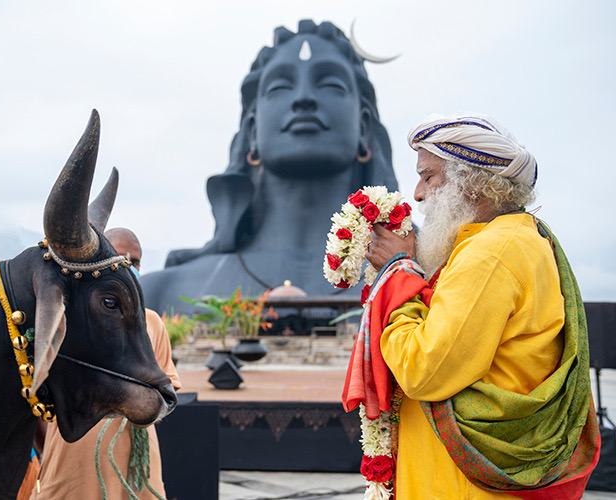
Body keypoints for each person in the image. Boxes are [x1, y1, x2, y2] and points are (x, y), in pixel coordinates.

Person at [357, 112, 599, 498]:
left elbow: (423, 369)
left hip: (458, 485)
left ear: (472, 183)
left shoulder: (489, 255)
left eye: (428, 176)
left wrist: (397, 271)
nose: (417, 194)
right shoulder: (519, 238)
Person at [141, 19, 399, 315]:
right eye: (279, 87)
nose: (303, 98)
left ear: (364, 127)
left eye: (330, 84)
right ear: (252, 130)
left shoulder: (422, 280)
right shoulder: (158, 295)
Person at [32, 228, 182, 500]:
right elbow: (36, 400)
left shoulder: (152, 323)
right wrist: (50, 446)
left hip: (137, 461)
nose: (127, 265)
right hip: (74, 458)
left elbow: (165, 390)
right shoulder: (64, 322)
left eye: (134, 261)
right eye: (117, 256)